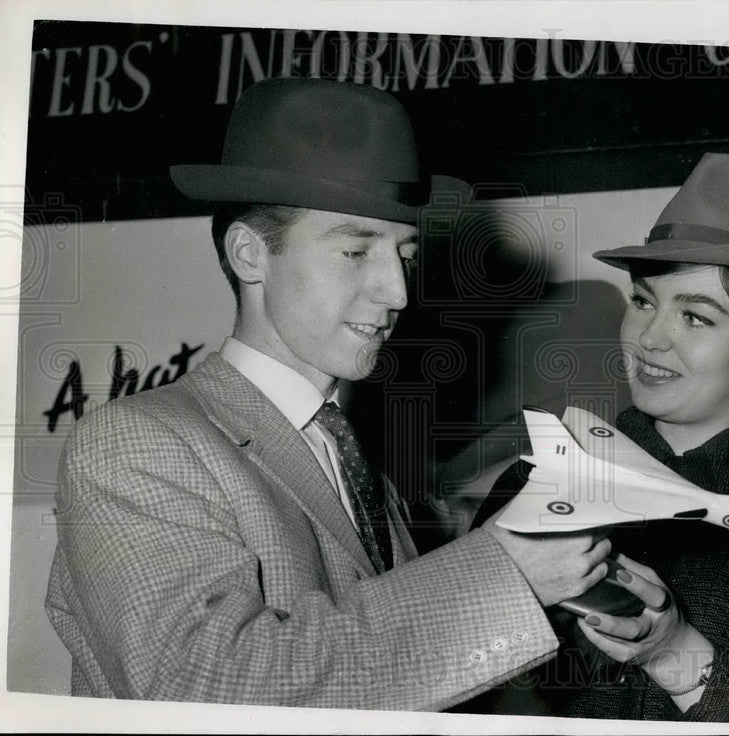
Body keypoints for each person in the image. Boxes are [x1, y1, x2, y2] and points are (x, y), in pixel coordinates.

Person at [43, 78, 612, 710]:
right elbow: (202, 687)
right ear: (249, 255)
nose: (397, 292)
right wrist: (506, 577)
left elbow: (386, 668)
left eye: (405, 255)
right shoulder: (135, 444)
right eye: (354, 251)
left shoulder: (357, 460)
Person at [464, 153, 729, 724]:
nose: (648, 339)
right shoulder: (534, 481)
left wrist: (677, 654)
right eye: (643, 301)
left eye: (694, 317)